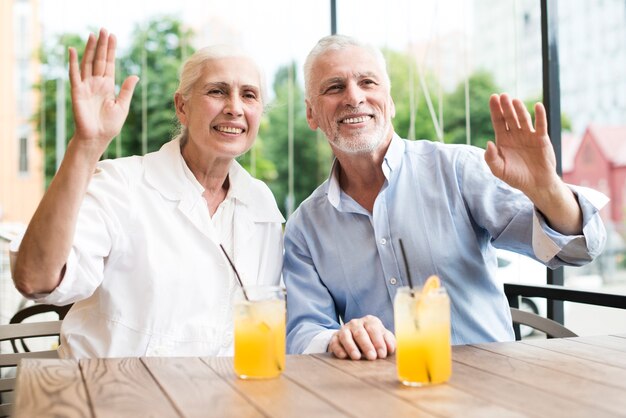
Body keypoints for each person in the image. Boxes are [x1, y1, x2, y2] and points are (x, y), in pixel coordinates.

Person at [283, 34, 608, 360]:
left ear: (390, 102)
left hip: (488, 394)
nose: (354, 97)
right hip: (380, 397)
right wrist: (336, 338)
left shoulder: (458, 170)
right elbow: (303, 331)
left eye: (367, 82)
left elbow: (577, 249)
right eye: (334, 87)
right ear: (311, 114)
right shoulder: (305, 227)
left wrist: (548, 190)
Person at [10, 29, 284, 359]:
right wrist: (87, 145)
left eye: (249, 95)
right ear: (182, 107)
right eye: (217, 91)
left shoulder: (260, 203)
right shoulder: (121, 184)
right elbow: (35, 278)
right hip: (110, 400)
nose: (235, 108)